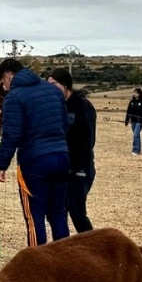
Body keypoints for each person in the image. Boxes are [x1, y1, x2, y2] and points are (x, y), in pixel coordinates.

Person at [0, 58, 70, 246]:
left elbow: (11, 134)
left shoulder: (14, 97)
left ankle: (37, 263)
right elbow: (65, 124)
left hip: (35, 161)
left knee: (34, 217)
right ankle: (67, 261)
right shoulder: (53, 91)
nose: (4, 86)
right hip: (62, 157)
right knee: (59, 214)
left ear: (7, 77)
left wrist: (2, 164)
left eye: (3, 82)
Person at [48, 68, 97, 233]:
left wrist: (78, 167)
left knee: (76, 210)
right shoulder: (57, 106)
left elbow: (88, 140)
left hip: (80, 168)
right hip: (62, 167)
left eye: (54, 84)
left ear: (65, 85)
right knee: (58, 210)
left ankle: (92, 245)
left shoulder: (82, 105)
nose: (51, 89)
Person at [124, 88, 142, 155]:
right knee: (137, 135)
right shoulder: (132, 102)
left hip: (139, 121)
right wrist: (127, 120)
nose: (135, 94)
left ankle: (135, 150)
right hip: (133, 121)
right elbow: (128, 111)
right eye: (134, 92)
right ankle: (139, 150)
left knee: (136, 134)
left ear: (140, 94)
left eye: (137, 93)